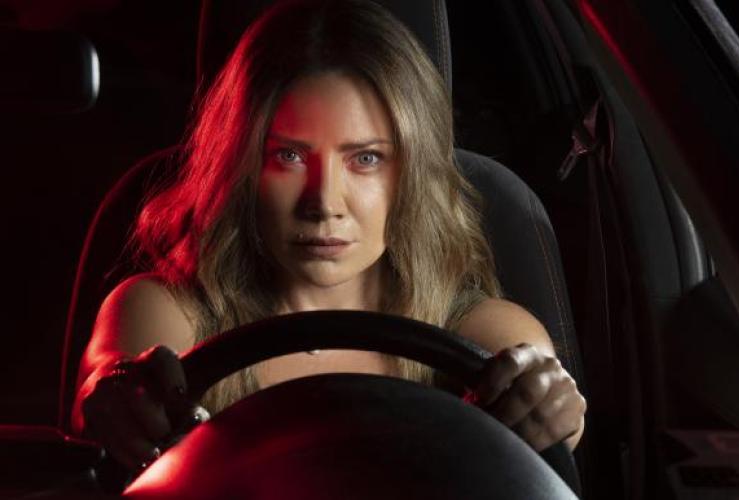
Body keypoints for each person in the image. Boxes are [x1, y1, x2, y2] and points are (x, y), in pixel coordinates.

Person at [72, 0, 586, 471]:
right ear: (241, 168)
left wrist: (548, 404)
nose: (323, 204)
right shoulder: (167, 310)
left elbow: (534, 385)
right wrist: (118, 395)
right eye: (289, 156)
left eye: (366, 159)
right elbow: (114, 375)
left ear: (412, 175)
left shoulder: (478, 329)